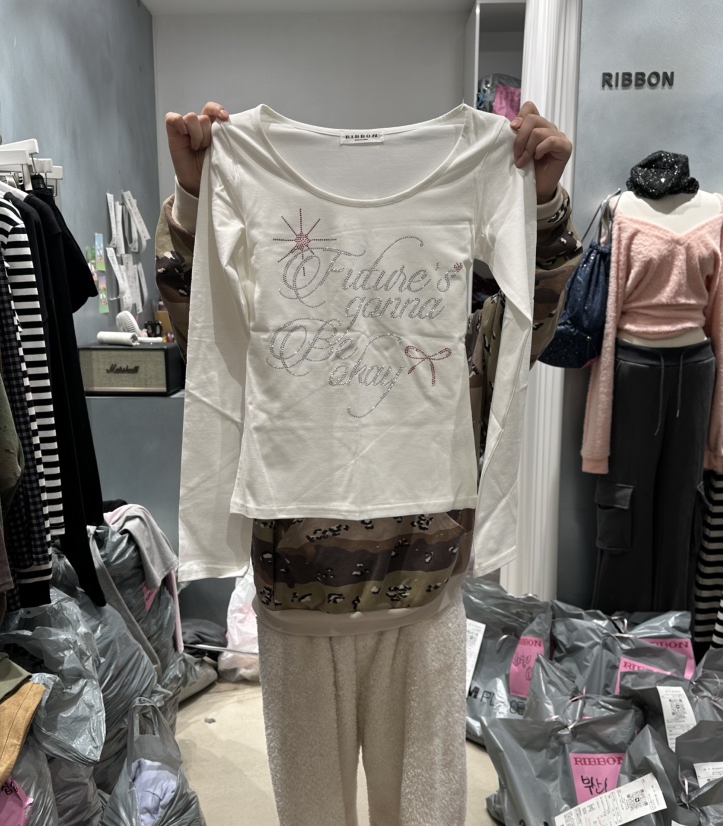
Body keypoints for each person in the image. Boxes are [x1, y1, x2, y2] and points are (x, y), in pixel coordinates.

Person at [156, 100, 580, 826]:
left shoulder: (463, 307)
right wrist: (199, 197)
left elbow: (522, 329)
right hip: (296, 599)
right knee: (312, 813)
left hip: (425, 595)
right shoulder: (255, 177)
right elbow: (207, 336)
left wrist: (539, 207)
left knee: (425, 813)